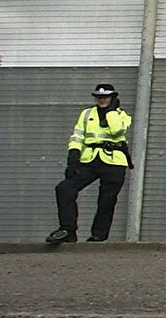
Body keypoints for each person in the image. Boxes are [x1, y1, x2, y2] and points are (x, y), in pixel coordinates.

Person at [47, 82, 131, 245]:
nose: (102, 100)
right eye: (99, 97)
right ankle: (68, 229)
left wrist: (111, 111)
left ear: (113, 98)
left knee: (107, 199)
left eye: (106, 97)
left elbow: (117, 131)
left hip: (114, 162)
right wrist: (73, 157)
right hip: (89, 160)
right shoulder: (86, 114)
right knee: (64, 189)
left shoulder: (122, 115)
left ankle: (99, 235)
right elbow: (77, 136)